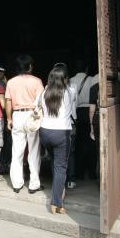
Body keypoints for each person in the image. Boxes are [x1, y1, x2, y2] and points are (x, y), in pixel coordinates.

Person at [38, 66, 76, 214]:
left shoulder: (44, 93)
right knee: (60, 167)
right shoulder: (70, 92)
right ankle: (56, 203)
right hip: (61, 134)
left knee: (55, 163)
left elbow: (38, 106)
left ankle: (58, 193)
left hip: (45, 133)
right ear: (65, 79)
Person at [5, 55, 44, 194]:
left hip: (17, 115)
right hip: (32, 115)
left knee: (17, 151)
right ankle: (34, 184)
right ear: (30, 67)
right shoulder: (37, 81)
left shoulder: (11, 82)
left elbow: (8, 102)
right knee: (33, 151)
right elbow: (41, 102)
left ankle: (17, 184)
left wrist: (9, 119)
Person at [67, 60, 91, 190]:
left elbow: (73, 103)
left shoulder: (70, 81)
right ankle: (91, 172)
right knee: (90, 142)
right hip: (90, 110)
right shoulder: (91, 79)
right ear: (86, 68)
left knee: (78, 145)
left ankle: (79, 172)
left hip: (76, 113)